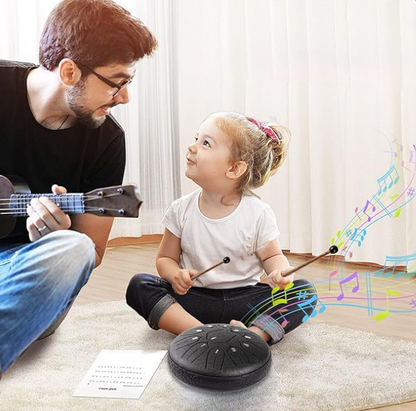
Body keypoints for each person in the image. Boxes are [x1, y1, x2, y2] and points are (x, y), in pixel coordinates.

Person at [0, 0, 157, 376]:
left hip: (20, 274)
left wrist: (55, 236)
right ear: (69, 71)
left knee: (75, 247)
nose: (124, 98)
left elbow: (93, 252)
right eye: (117, 82)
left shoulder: (107, 142)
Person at [126, 111, 317, 344]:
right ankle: (202, 334)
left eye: (205, 143)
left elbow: (273, 256)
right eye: (196, 138)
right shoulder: (180, 210)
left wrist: (280, 273)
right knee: (140, 285)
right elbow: (165, 258)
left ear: (235, 169)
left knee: (303, 291)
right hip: (195, 300)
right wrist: (175, 275)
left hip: (246, 302)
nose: (192, 147)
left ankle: (254, 335)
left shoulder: (258, 213)